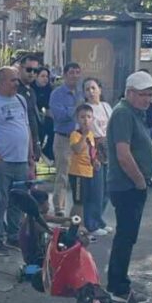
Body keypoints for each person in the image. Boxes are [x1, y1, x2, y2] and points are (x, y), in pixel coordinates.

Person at [106, 72, 152, 298]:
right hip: (127, 186)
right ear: (129, 93)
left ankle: (120, 282)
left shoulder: (133, 113)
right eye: (142, 94)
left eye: (149, 94)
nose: (147, 99)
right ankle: (118, 286)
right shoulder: (123, 114)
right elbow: (123, 154)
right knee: (125, 237)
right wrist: (139, 182)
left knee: (128, 237)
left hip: (131, 185)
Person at [0, 66, 33, 257]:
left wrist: (30, 157)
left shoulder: (20, 100)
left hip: (21, 160)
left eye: (17, 80)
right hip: (3, 161)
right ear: (1, 82)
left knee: (18, 201)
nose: (16, 84)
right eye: (13, 80)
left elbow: (25, 127)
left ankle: (13, 235)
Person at [50, 63, 83, 215]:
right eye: (71, 72)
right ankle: (59, 207)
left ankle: (78, 207)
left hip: (80, 138)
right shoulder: (57, 94)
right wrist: (76, 107)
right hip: (63, 138)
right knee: (62, 174)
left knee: (79, 174)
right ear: (65, 74)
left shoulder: (81, 92)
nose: (75, 75)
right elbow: (59, 116)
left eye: (77, 72)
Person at [82, 78, 112, 237]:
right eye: (87, 89)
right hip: (93, 147)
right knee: (95, 189)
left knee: (107, 188)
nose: (91, 92)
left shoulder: (106, 107)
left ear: (100, 89)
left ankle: (99, 219)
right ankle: (91, 223)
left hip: (108, 146)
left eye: (93, 88)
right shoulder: (85, 110)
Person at [68, 104, 99, 232]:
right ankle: (77, 226)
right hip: (77, 172)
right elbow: (77, 149)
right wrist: (84, 135)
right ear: (77, 119)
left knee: (84, 201)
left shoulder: (91, 135)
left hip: (88, 171)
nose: (85, 120)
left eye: (88, 117)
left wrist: (95, 161)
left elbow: (91, 151)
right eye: (82, 117)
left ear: (92, 119)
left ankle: (78, 224)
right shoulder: (75, 134)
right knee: (78, 202)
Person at [16, 54, 44, 169]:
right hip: (18, 143)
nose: (32, 73)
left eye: (35, 70)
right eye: (29, 69)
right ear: (20, 68)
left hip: (32, 141)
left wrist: (36, 142)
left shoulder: (31, 91)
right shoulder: (14, 89)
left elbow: (33, 118)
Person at [33, 67, 55, 162]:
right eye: (42, 76)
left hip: (42, 116)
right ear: (36, 77)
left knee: (52, 126)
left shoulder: (48, 89)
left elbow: (49, 108)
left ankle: (47, 152)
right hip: (32, 116)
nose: (45, 78)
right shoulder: (31, 88)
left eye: (47, 76)